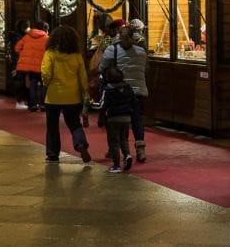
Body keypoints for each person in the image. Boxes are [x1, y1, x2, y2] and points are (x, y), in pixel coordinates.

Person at [41, 25, 92, 164]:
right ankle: (80, 144)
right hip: (72, 96)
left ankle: (52, 154)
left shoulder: (50, 53)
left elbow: (46, 73)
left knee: (52, 126)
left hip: (53, 96)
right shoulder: (76, 55)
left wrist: (46, 84)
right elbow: (82, 76)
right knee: (74, 123)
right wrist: (84, 91)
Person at [98, 25, 150, 162]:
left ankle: (114, 148)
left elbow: (102, 68)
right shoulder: (141, 52)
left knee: (116, 120)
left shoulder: (111, 50)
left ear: (118, 36)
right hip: (138, 90)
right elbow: (145, 70)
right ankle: (140, 149)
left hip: (118, 91)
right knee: (137, 119)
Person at [98, 66, 136, 173]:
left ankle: (116, 165)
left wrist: (94, 106)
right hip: (126, 118)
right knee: (124, 139)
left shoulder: (108, 90)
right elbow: (133, 101)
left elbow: (103, 105)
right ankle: (127, 155)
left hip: (113, 119)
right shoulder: (128, 88)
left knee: (114, 141)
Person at [14, 20, 49, 111]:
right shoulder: (47, 38)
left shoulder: (27, 36)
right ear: (45, 30)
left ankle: (32, 106)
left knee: (32, 84)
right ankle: (43, 105)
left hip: (30, 68)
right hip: (42, 66)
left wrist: (25, 54)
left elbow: (17, 48)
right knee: (43, 85)